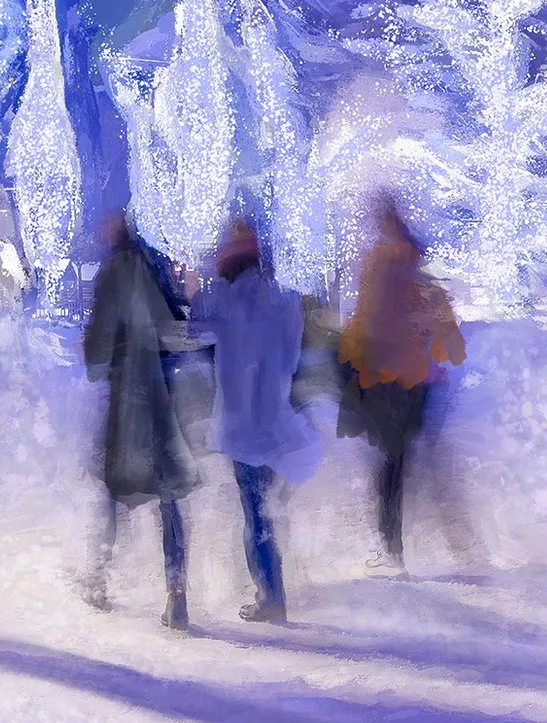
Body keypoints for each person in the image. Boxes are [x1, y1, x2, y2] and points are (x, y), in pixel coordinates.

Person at [190, 220, 320, 623]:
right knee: (268, 508)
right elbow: (293, 356)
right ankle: (278, 587)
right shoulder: (284, 299)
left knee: (256, 513)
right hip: (277, 419)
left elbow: (195, 331)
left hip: (242, 424)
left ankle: (271, 595)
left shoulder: (222, 299)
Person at [336, 196, 465, 573]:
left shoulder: (378, 266)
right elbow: (451, 343)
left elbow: (364, 323)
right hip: (416, 382)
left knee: (390, 466)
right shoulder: (419, 274)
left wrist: (351, 361)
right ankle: (456, 542)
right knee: (408, 463)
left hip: (384, 381)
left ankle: (392, 550)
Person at [83, 212, 199, 628]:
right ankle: (176, 591)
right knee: (166, 495)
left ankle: (99, 577)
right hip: (158, 396)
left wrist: (97, 358)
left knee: (116, 487)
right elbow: (175, 327)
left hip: (128, 399)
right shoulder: (155, 268)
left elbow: (98, 343)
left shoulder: (115, 271)